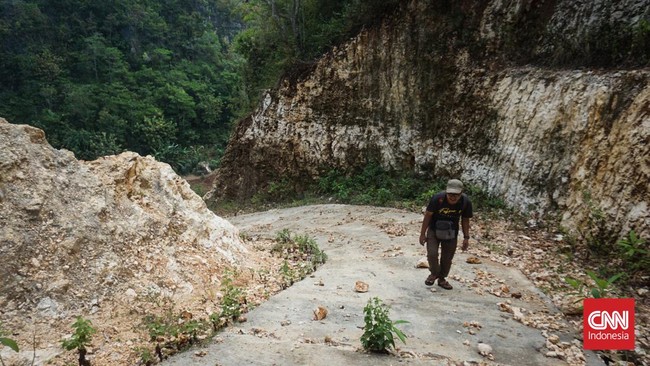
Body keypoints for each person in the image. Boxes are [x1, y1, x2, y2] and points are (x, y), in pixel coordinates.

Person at [419, 179, 473, 290]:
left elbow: (465, 220)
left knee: (447, 257)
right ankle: (434, 273)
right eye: (450, 194)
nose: (452, 197)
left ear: (461, 193)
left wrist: (466, 237)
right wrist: (422, 233)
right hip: (434, 229)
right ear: (446, 192)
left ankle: (442, 278)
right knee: (432, 254)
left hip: (451, 232)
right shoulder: (437, 199)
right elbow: (428, 215)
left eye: (456, 195)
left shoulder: (465, 202)